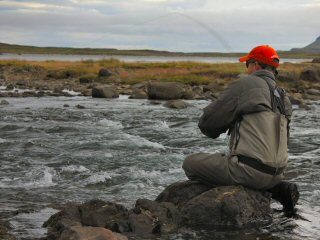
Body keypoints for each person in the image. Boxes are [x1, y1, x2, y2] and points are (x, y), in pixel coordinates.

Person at [182, 45, 299, 211]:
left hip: (248, 171)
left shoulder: (247, 84)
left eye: (247, 64)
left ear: (256, 65)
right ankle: (276, 189)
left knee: (189, 163)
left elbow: (208, 124)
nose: (247, 69)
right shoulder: (283, 95)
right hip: (277, 173)